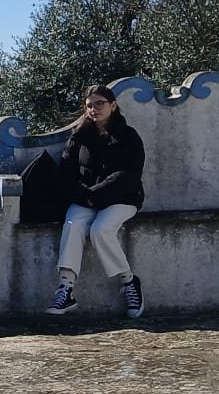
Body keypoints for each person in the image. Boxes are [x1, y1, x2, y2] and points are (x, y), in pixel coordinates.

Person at [49, 84, 147, 319]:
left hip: (122, 198)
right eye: (90, 105)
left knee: (101, 230)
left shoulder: (129, 136)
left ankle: (129, 281)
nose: (94, 109)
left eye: (100, 103)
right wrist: (82, 194)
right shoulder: (79, 136)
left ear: (113, 105)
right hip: (84, 198)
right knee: (73, 224)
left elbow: (129, 174)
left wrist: (95, 194)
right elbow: (66, 171)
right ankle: (66, 289)